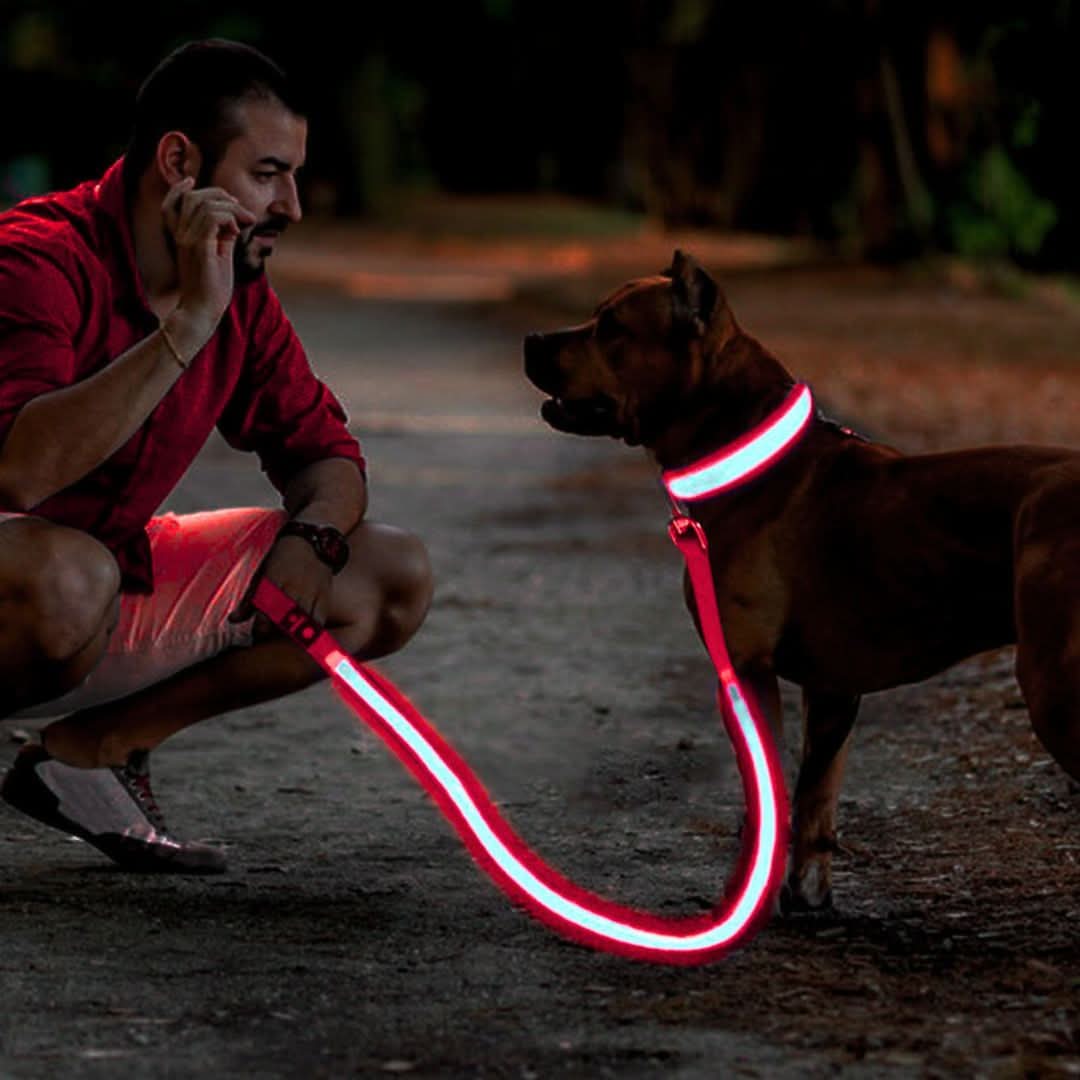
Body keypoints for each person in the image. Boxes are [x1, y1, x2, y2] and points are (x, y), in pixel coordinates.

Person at [0, 39, 433, 873]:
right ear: (178, 162)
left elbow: (327, 457)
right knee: (65, 577)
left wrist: (313, 545)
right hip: (34, 588)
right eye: (268, 173)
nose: (294, 206)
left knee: (386, 573)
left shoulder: (238, 291)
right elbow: (21, 470)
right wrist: (185, 327)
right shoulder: (36, 258)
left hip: (93, 598)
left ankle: (92, 757)